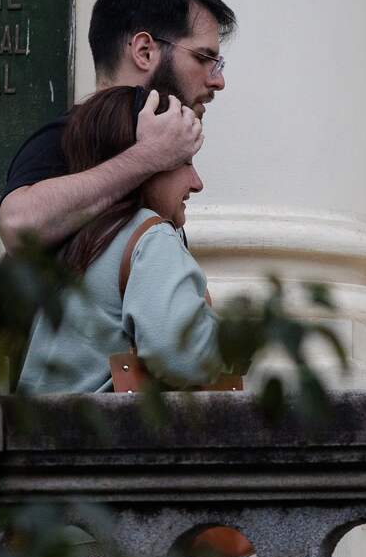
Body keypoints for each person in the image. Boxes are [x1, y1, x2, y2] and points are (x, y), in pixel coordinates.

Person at [0, 0, 235, 255]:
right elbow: (18, 226)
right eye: (203, 58)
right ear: (144, 51)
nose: (218, 81)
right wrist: (150, 156)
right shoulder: (64, 137)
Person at [16, 84, 222, 393]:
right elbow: (185, 358)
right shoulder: (150, 236)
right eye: (185, 162)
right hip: (96, 436)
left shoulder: (42, 243)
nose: (197, 184)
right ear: (147, 164)